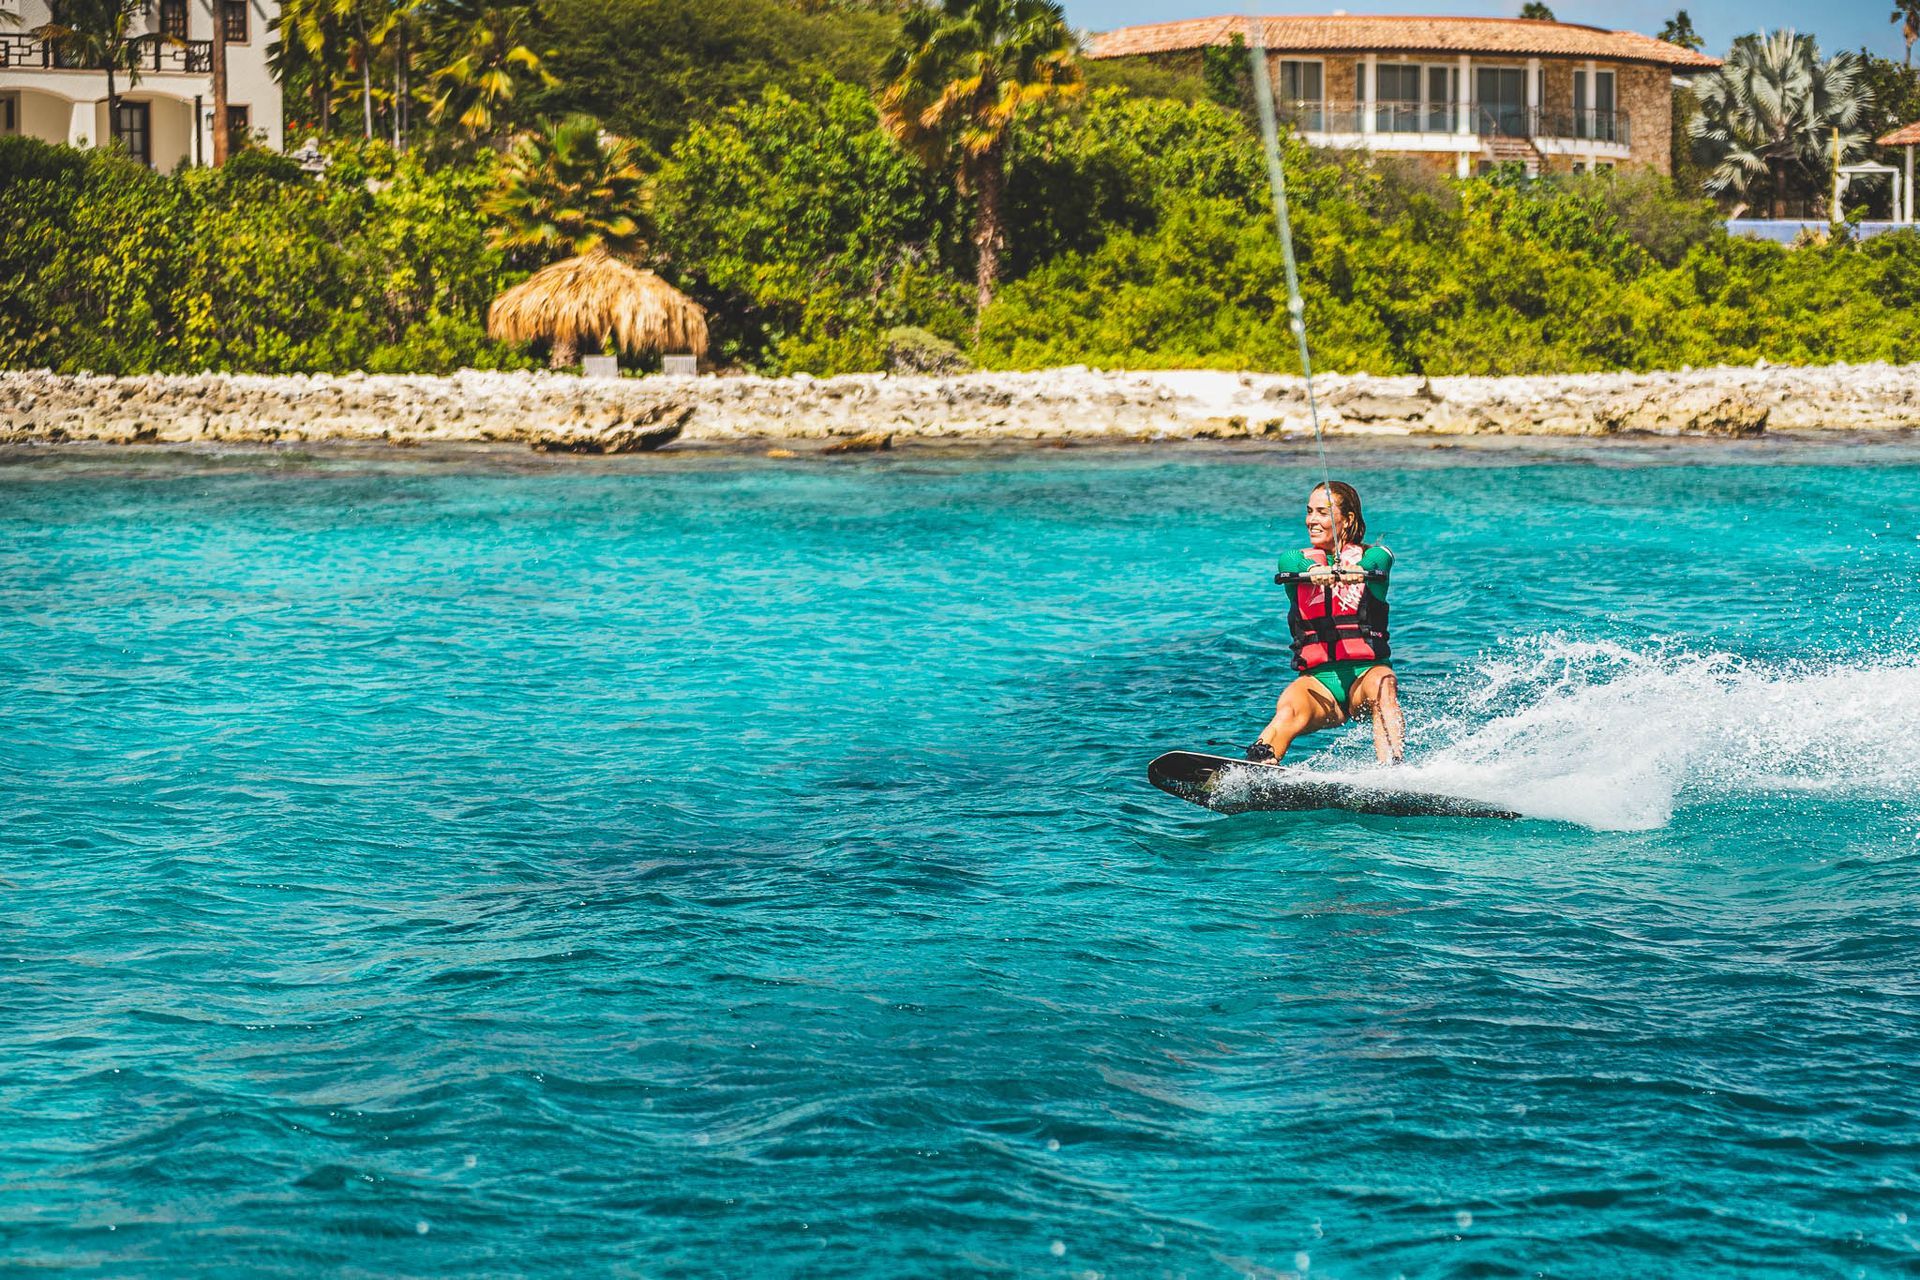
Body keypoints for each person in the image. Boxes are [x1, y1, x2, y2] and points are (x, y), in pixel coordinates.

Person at [1248, 481, 1406, 765]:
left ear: (1347, 519)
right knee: (1288, 710)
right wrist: (1314, 570)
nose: (1312, 520)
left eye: (1322, 512)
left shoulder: (1373, 557)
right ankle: (1257, 770)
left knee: (1384, 685)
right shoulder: (1296, 561)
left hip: (1365, 677)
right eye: (1309, 511)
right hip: (1320, 684)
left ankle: (1394, 771)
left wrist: (1357, 571)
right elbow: (1289, 561)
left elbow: (1381, 559)